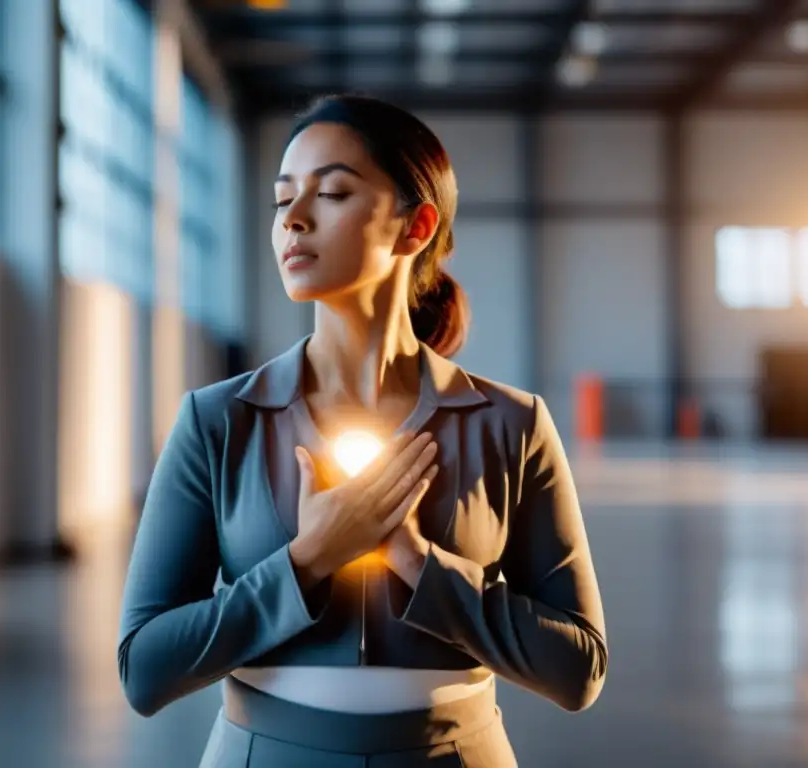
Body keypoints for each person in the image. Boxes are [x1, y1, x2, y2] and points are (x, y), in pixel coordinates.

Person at [117, 94, 608, 767]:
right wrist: (309, 559)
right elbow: (144, 670)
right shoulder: (216, 421)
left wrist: (418, 564)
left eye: (334, 192)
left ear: (415, 226)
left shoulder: (512, 425)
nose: (292, 219)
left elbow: (578, 669)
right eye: (281, 198)